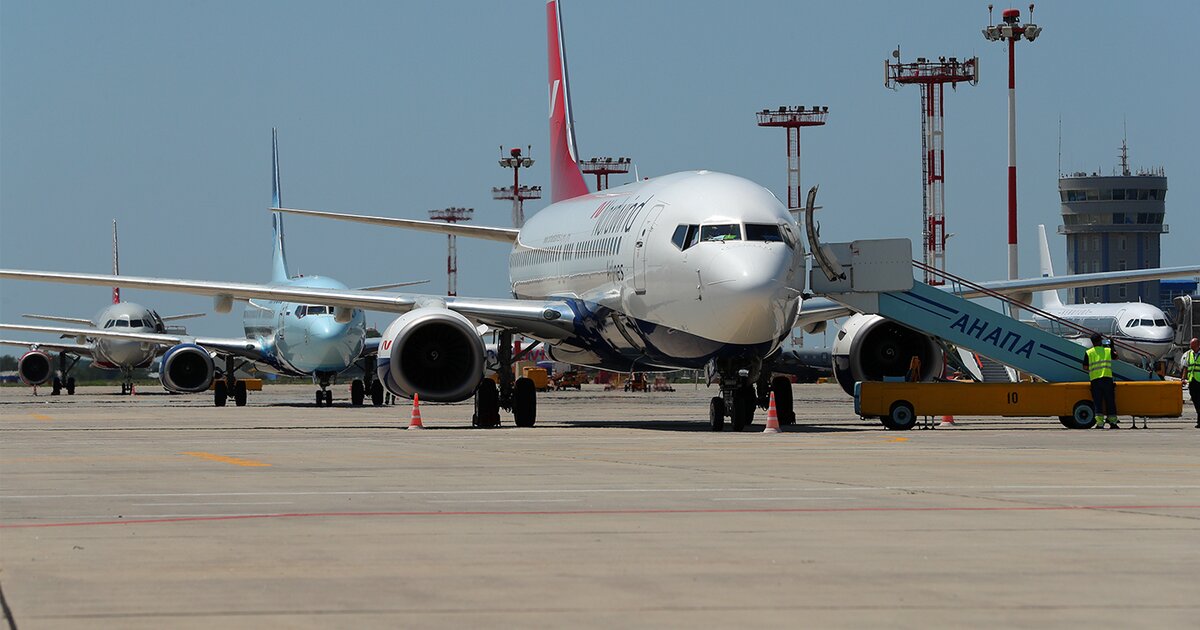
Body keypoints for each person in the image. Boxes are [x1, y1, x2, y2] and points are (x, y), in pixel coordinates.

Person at [1083, 333, 1119, 429]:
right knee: (1110, 401)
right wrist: (1112, 346)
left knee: (1097, 402)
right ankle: (1113, 422)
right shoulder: (1107, 350)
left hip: (1095, 380)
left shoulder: (1089, 352)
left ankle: (1099, 423)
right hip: (1107, 379)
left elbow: (1085, 367)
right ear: (1100, 341)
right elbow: (1116, 357)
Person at [1180, 338, 1200, 429]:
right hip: (1192, 381)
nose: (1190, 346)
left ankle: (1199, 421)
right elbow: (1186, 367)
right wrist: (1183, 378)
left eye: (1192, 345)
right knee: (1195, 401)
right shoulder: (1189, 354)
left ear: (1197, 345)